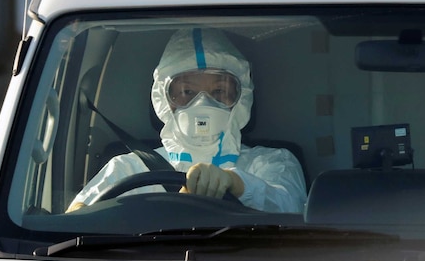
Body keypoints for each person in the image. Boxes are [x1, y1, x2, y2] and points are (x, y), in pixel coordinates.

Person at [68, 27, 307, 213]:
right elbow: (75, 221)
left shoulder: (273, 163)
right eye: (187, 93)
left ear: (241, 97)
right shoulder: (128, 169)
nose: (202, 104)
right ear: (164, 99)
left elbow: (291, 207)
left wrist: (236, 183)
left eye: (219, 92)